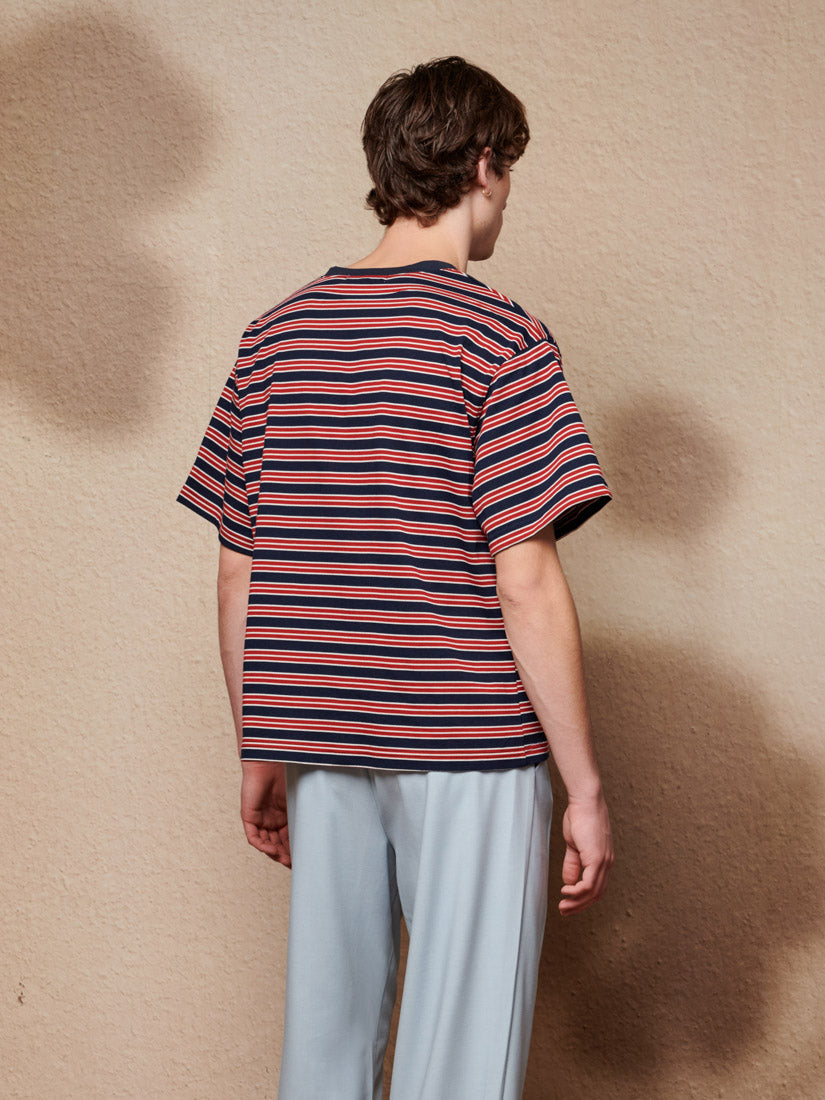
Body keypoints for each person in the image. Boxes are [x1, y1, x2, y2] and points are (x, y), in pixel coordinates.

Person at [178, 55, 614, 1100]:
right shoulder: (501, 337)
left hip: (321, 739)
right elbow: (524, 578)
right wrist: (586, 789)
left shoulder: (274, 338)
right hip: (469, 744)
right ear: (483, 164)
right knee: (461, 1059)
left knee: (325, 1049)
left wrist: (260, 745)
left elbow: (239, 566)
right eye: (508, 172)